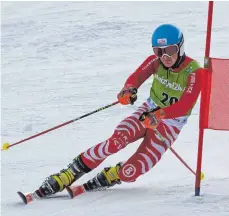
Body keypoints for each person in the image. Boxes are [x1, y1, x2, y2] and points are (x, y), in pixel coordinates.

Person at [33, 24, 203, 198]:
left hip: (170, 123)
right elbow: (137, 76)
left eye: (170, 50)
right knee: (117, 140)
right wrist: (128, 90)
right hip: (148, 111)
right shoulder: (155, 61)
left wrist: (160, 115)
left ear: (180, 47)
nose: (165, 56)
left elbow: (186, 104)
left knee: (131, 172)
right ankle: (68, 174)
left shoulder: (194, 72)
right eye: (159, 51)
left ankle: (114, 174)